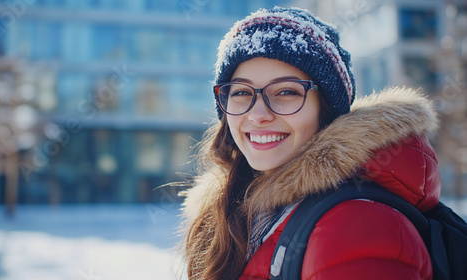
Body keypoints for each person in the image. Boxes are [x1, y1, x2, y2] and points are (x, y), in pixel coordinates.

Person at [180, 6, 439, 280]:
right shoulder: (235, 216)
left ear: (325, 110)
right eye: (242, 92)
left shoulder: (356, 226)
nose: (258, 115)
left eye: (287, 92)